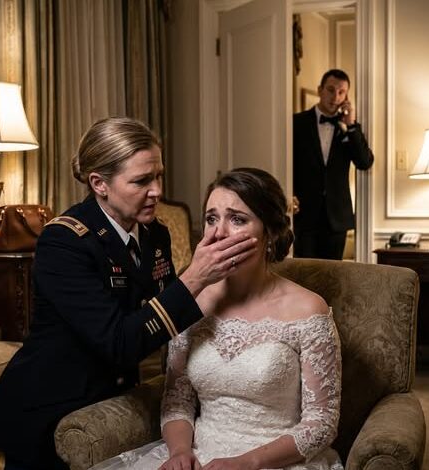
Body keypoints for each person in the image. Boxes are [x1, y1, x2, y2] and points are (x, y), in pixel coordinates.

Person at [0, 117, 258, 470]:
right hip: (43, 413)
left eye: (158, 176)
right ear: (99, 183)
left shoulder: (154, 234)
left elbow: (166, 318)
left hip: (109, 403)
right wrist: (194, 278)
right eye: (141, 181)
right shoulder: (64, 242)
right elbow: (118, 342)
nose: (157, 191)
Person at [98, 167, 343, 470]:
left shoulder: (307, 309)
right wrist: (179, 452)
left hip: (275, 462)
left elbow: (322, 424)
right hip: (197, 458)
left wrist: (246, 463)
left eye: (237, 219)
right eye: (212, 218)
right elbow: (177, 400)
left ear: (269, 232)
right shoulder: (191, 304)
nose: (218, 233)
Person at [293, 69, 374, 260]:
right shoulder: (296, 123)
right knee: (304, 273)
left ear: (346, 97)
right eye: (330, 90)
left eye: (341, 92)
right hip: (304, 216)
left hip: (337, 218)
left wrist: (351, 125)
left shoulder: (350, 128)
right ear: (320, 90)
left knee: (333, 274)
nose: (335, 97)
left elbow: (364, 162)